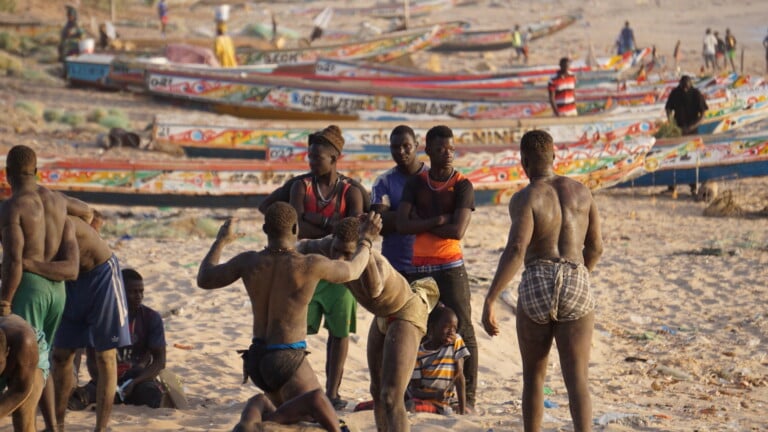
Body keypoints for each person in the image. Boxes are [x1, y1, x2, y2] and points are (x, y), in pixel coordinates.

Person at [196, 203, 379, 431]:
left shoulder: (248, 261)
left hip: (256, 358)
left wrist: (220, 241)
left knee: (277, 409)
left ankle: (249, 423)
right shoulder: (309, 264)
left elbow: (205, 278)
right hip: (287, 358)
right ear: (295, 229)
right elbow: (352, 270)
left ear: (265, 229)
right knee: (321, 406)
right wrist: (366, 240)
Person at [481, 129, 603, 432]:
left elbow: (517, 249)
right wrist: (579, 275)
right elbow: (596, 247)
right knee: (577, 379)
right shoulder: (582, 192)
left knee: (534, 377)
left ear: (524, 161)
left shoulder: (525, 198)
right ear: (554, 157)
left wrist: (491, 297)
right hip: (575, 273)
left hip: (537, 277)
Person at [297, 217, 439, 432]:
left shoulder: (373, 261)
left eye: (347, 253)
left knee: (392, 396)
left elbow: (373, 290)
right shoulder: (328, 245)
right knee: (377, 390)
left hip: (406, 312)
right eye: (336, 250)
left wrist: (365, 244)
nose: (340, 258)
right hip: (382, 315)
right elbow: (301, 246)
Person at [0, 145, 90, 431]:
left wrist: (5, 302)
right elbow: (87, 212)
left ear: (7, 174)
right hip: (57, 292)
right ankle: (51, 426)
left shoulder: (13, 206)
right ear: (37, 172)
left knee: (22, 367)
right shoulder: (58, 201)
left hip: (29, 288)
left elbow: (14, 261)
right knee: (40, 362)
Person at [20, 212, 131, 430]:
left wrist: (27, 264)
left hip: (100, 275)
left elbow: (87, 212)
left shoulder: (53, 207)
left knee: (105, 357)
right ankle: (58, 425)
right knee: (61, 356)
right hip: (66, 279)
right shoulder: (16, 219)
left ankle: (101, 428)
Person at [396, 125, 477, 411]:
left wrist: (422, 223)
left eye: (451, 149)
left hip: (451, 266)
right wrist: (440, 220)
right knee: (419, 328)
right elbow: (401, 224)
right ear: (428, 150)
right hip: (420, 267)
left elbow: (458, 231)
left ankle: (469, 400)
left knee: (463, 329)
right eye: (441, 149)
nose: (448, 154)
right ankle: (415, 391)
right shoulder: (416, 183)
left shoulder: (463, 185)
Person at [289, 125, 364, 410]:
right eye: (309, 156)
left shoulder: (350, 191)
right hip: (305, 270)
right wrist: (330, 226)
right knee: (296, 333)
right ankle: (299, 388)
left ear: (334, 158)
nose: (311, 162)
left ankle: (332, 392)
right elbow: (295, 227)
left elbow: (352, 232)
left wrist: (312, 221)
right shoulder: (301, 186)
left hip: (339, 272)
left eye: (316, 157)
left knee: (339, 332)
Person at [69, 268, 169, 410]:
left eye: (141, 291)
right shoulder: (102, 318)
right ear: (119, 293)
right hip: (106, 377)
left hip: (139, 378)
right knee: (76, 399)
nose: (139, 296)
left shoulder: (151, 318)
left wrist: (135, 382)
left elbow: (160, 361)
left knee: (154, 397)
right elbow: (92, 360)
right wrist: (107, 384)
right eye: (133, 292)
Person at [370, 125, 428, 277]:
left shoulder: (433, 179)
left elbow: (442, 218)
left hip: (429, 265)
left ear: (416, 145)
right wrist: (417, 214)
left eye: (406, 146)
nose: (401, 151)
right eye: (395, 147)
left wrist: (396, 217)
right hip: (394, 266)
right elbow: (379, 224)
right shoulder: (383, 181)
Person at [408, 306, 469, 415]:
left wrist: (462, 411)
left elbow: (459, 377)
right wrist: (434, 395)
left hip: (448, 402)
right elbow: (415, 390)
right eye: (447, 327)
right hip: (427, 400)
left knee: (470, 411)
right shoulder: (419, 353)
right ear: (432, 328)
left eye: (454, 328)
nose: (451, 332)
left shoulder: (456, 341)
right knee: (411, 406)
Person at [0, 314, 45, 432]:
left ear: (7, 352)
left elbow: (20, 391)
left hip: (31, 350)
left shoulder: (26, 343)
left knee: (23, 417)